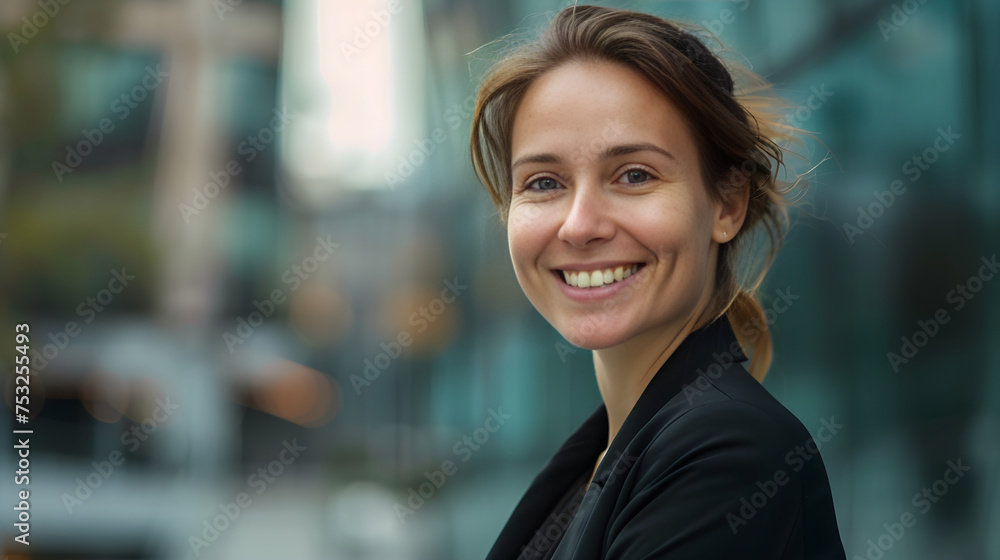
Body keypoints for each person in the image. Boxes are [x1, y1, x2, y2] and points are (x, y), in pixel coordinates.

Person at [468, 5, 846, 559]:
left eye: (635, 175)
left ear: (727, 203)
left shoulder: (728, 456)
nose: (579, 225)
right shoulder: (607, 453)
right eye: (544, 182)